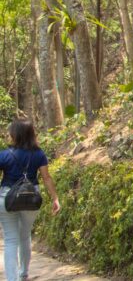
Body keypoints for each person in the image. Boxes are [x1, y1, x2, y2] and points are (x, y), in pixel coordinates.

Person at [0, 119, 60, 281]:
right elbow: (46, 178)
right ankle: (23, 274)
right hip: (31, 198)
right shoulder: (38, 154)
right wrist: (55, 198)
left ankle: (12, 279)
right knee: (25, 235)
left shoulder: (4, 155)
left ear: (15, 134)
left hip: (7, 198)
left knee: (11, 240)